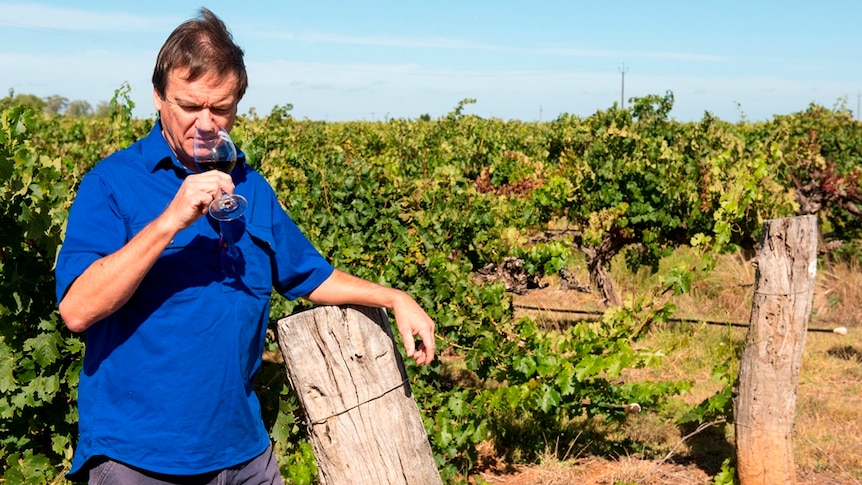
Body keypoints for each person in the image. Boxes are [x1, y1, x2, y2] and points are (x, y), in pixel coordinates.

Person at [54, 8, 435, 484]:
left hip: (243, 454)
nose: (207, 123)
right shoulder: (111, 185)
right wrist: (170, 220)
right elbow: (77, 310)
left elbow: (310, 276)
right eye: (190, 106)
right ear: (157, 96)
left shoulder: (251, 188)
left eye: (222, 107)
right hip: (138, 457)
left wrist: (395, 297)